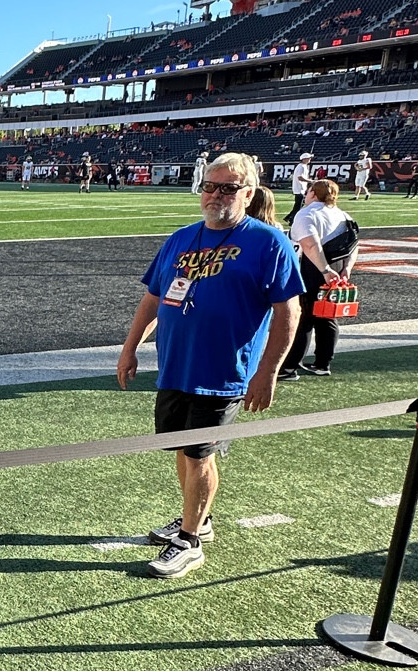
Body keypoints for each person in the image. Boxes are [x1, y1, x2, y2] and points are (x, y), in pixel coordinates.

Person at [115, 151, 302, 580]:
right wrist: (130, 348)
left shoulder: (267, 242)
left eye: (228, 188)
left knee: (200, 453)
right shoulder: (181, 238)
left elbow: (288, 311)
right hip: (177, 365)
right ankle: (197, 519)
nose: (216, 195)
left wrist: (268, 370)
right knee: (184, 448)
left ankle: (190, 541)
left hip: (225, 372)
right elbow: (154, 298)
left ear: (248, 193)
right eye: (210, 186)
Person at [279, 180, 357, 382]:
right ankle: (323, 363)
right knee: (327, 317)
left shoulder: (307, 214)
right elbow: (354, 245)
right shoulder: (343, 215)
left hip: (314, 269)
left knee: (303, 318)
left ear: (312, 193)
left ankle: (289, 367)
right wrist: (346, 269)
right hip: (338, 268)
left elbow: (310, 245)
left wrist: (324, 270)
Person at [290, 152, 313, 217]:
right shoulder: (301, 167)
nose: (310, 159)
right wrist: (310, 181)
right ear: (304, 159)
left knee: (298, 205)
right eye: (308, 158)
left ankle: (290, 217)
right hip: (299, 189)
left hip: (301, 188)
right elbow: (300, 177)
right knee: (298, 206)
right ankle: (292, 218)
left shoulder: (303, 166)